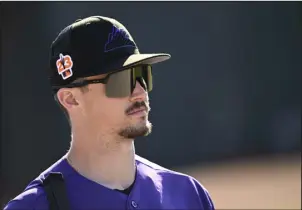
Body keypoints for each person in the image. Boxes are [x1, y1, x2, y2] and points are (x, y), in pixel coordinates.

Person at [4, 16, 215, 210]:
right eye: (122, 80)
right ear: (71, 99)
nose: (140, 92)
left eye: (142, 74)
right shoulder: (35, 206)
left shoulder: (188, 195)